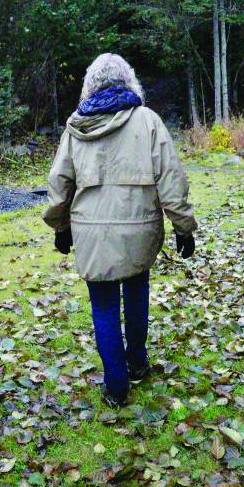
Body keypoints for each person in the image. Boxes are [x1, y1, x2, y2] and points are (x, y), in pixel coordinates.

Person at [43, 53, 197, 408]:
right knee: (137, 288)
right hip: (139, 228)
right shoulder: (147, 121)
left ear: (89, 84)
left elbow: (59, 182)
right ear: (129, 80)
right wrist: (183, 227)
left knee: (104, 306)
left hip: (92, 233)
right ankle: (138, 363)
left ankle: (116, 386)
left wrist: (60, 225)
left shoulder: (76, 126)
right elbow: (171, 178)